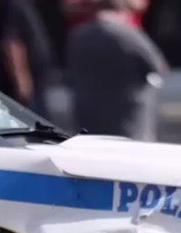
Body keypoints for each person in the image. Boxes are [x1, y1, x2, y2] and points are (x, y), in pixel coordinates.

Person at [65, 0, 167, 141]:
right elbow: (157, 64)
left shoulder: (80, 35)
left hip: (90, 114)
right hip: (127, 114)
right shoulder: (128, 34)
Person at [0, 0, 57, 116]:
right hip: (25, 87)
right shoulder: (14, 5)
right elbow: (13, 43)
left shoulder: (25, 5)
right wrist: (23, 80)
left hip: (36, 83)